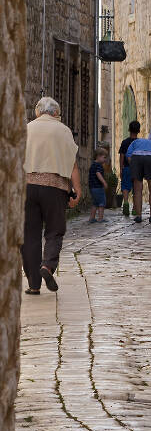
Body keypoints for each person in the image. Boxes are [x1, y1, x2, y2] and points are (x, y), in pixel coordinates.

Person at [22, 96, 81, 294]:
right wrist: (77, 191)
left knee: (29, 235)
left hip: (27, 187)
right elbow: (72, 165)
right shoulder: (63, 131)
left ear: (38, 112)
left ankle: (33, 284)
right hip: (55, 187)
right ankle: (47, 266)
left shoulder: (27, 128)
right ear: (56, 113)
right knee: (55, 230)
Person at [125, 125, 151, 223]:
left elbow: (129, 156)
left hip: (137, 158)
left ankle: (138, 216)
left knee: (137, 190)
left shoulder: (134, 142)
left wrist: (134, 168)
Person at [118, 121, 140, 216]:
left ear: (129, 130)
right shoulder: (139, 143)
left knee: (125, 186)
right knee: (136, 189)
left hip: (127, 168)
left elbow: (122, 156)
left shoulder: (125, 142)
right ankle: (135, 208)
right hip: (137, 169)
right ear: (138, 131)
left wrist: (121, 168)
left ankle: (126, 202)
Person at [88, 150, 108, 223]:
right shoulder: (99, 165)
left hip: (92, 187)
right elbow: (98, 173)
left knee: (95, 203)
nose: (105, 159)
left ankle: (92, 218)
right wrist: (104, 182)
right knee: (102, 202)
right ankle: (100, 218)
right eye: (104, 157)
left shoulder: (93, 164)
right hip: (98, 187)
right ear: (98, 156)